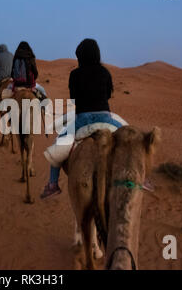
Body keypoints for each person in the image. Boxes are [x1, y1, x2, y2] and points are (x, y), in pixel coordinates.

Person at [40, 38, 122, 199]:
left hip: (82, 119)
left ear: (81, 57)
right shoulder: (105, 72)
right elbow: (108, 95)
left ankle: (53, 184)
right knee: (130, 137)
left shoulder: (75, 74)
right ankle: (141, 177)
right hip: (106, 118)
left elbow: (73, 99)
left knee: (59, 144)